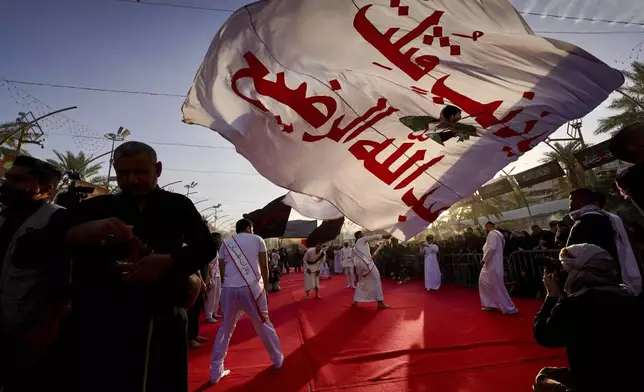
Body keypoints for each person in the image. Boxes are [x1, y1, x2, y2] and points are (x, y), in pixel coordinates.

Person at [65, 141, 217, 392]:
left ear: (157, 169)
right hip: (105, 316)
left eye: (140, 173)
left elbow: (205, 248)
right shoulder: (97, 209)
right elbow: (58, 239)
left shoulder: (178, 205)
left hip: (162, 314)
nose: (132, 180)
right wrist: (88, 231)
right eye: (124, 174)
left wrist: (169, 261)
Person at [533, 244, 644, 392]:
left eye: (567, 269)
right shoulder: (629, 296)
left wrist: (552, 297)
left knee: (543, 378)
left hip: (592, 381)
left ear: (580, 273)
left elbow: (543, 335)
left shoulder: (574, 306)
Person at [0, 157, 69, 392]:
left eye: (19, 180)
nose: (8, 184)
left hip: (24, 328)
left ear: (46, 189)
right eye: (9, 177)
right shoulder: (4, 214)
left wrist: (46, 328)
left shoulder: (57, 219)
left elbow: (61, 280)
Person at [210, 219, 283, 384]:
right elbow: (264, 266)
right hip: (252, 289)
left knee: (225, 329)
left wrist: (227, 283)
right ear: (249, 228)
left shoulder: (226, 243)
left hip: (229, 289)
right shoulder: (258, 239)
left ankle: (215, 371)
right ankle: (277, 359)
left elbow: (221, 269)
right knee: (263, 324)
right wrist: (265, 288)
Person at [567, 188, 641, 295]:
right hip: (616, 278)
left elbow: (571, 256)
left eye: (571, 199)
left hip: (593, 283)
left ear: (581, 201)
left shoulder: (583, 224)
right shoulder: (612, 220)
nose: (569, 205)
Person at [478, 222, 518, 315]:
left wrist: (484, 260)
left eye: (485, 228)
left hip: (492, 263)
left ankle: (509, 308)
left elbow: (492, 248)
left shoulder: (492, 233)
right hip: (491, 264)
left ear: (488, 227)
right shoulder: (500, 235)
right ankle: (490, 304)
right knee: (483, 282)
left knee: (497, 285)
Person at [352, 231, 391, 308]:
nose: (364, 234)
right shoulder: (361, 240)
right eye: (363, 234)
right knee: (376, 279)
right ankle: (380, 302)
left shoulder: (355, 246)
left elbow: (361, 255)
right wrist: (383, 236)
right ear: (360, 235)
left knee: (361, 282)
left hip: (359, 266)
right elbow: (372, 237)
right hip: (367, 264)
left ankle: (355, 300)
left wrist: (370, 256)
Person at [204, 232, 223, 323]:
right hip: (212, 275)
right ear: (215, 239)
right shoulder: (209, 249)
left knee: (217, 295)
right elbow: (208, 264)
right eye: (219, 238)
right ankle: (209, 315)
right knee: (211, 296)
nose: (221, 240)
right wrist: (209, 276)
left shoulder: (217, 249)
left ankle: (214, 312)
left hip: (218, 274)